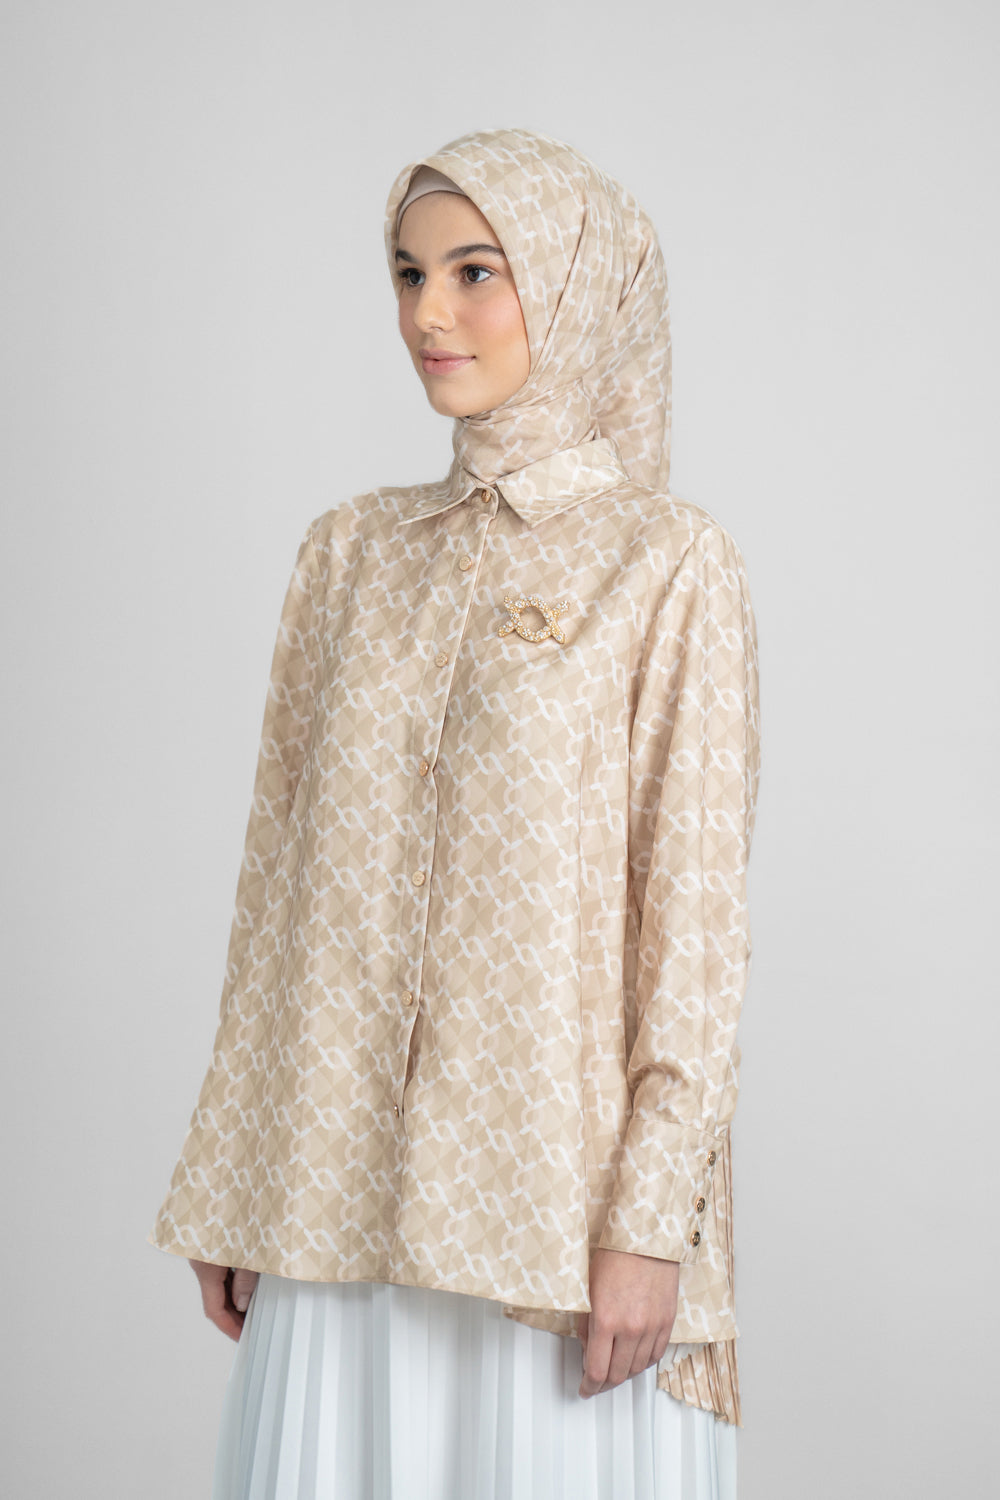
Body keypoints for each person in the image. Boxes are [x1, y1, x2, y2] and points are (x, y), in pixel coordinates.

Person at [149, 127, 761, 1500]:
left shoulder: (669, 567)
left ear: (578, 285)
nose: (430, 312)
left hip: (554, 1229)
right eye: (408, 272)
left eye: (478, 271)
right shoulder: (349, 556)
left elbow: (695, 936)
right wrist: (235, 1163)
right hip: (331, 1201)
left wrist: (652, 1227)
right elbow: (278, 894)